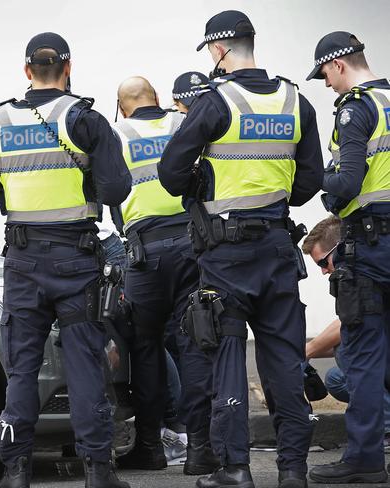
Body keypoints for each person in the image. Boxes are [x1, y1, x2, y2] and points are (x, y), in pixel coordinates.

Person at [0, 32, 131, 488]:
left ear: (26, 71)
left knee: (22, 368)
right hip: (76, 262)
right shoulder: (87, 120)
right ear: (68, 69)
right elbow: (116, 191)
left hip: (23, 262)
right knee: (85, 367)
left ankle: (15, 471)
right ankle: (98, 471)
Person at [158, 10, 323, 488]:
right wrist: (274, 199)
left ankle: (236, 469)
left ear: (218, 49)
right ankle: (293, 469)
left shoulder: (215, 102)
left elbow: (171, 174)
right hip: (276, 247)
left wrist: (203, 185)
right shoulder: (296, 101)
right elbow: (309, 179)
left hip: (226, 254)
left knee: (226, 354)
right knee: (285, 358)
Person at [111, 76, 218, 476]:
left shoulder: (116, 134)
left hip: (145, 254)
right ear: (158, 98)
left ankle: (152, 448)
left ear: (122, 107)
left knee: (146, 348)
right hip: (192, 245)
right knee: (193, 344)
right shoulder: (181, 123)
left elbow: (109, 192)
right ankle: (200, 450)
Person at [304, 33, 390, 474]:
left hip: (373, 245)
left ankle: (364, 458)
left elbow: (348, 182)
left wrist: (320, 179)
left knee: (362, 357)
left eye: (325, 75)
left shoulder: (356, 108)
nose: (326, 85)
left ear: (338, 65)